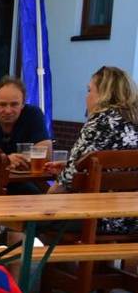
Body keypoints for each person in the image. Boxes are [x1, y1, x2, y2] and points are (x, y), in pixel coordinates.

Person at [48, 65, 138, 235]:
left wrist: (46, 200)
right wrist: (75, 167)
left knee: (37, 219)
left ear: (103, 95)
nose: (87, 96)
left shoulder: (100, 122)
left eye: (89, 91)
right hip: (132, 218)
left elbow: (67, 181)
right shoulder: (134, 121)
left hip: (96, 219)